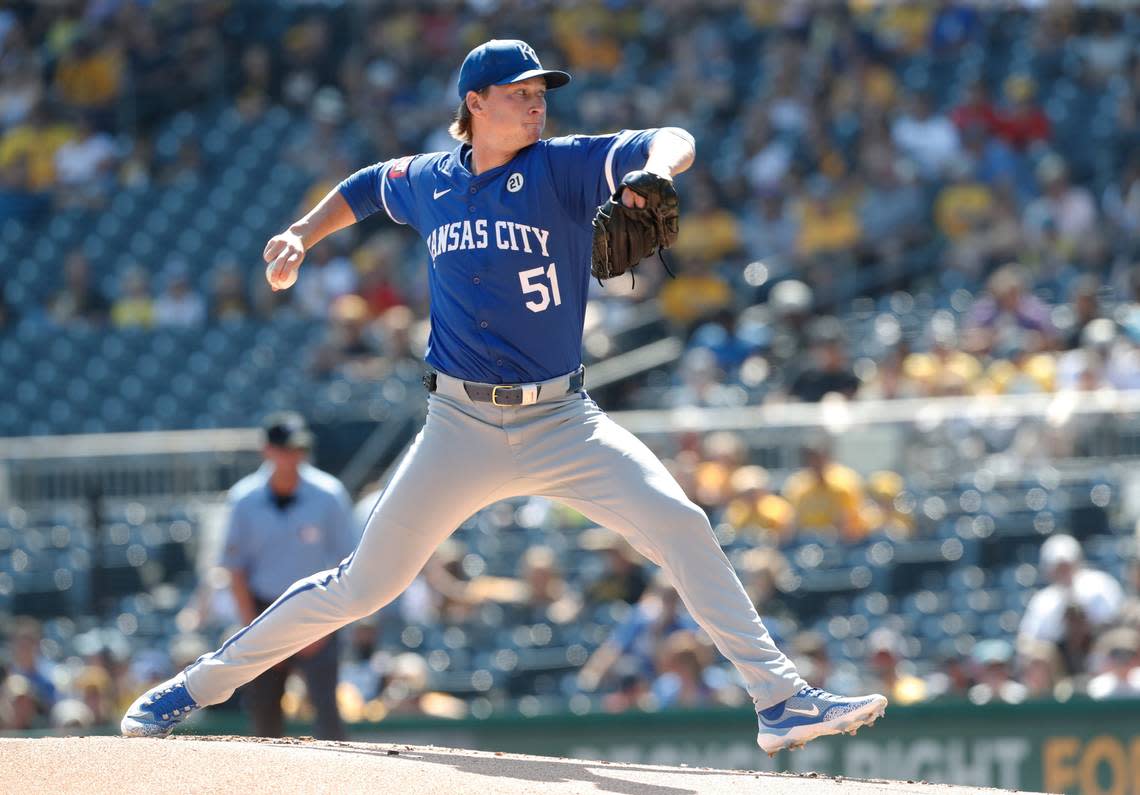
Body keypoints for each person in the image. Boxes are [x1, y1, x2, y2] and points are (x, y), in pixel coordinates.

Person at [123, 39, 886, 755]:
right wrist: (300, 233)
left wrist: (651, 174)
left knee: (680, 522)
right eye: (518, 94)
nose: (536, 104)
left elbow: (670, 137)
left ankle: (780, 698)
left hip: (563, 420)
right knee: (363, 584)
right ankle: (193, 687)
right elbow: (363, 188)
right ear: (475, 102)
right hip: (458, 425)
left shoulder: (563, 168)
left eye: (541, 92)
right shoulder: (430, 179)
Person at [217, 412, 356, 740]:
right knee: (264, 714)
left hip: (318, 610)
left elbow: (348, 563)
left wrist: (325, 627)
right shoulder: (243, 499)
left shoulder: (329, 494)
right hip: (264, 610)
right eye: (286, 449)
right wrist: (255, 630)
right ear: (268, 450)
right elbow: (235, 572)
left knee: (327, 714)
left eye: (298, 449)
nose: (294, 456)